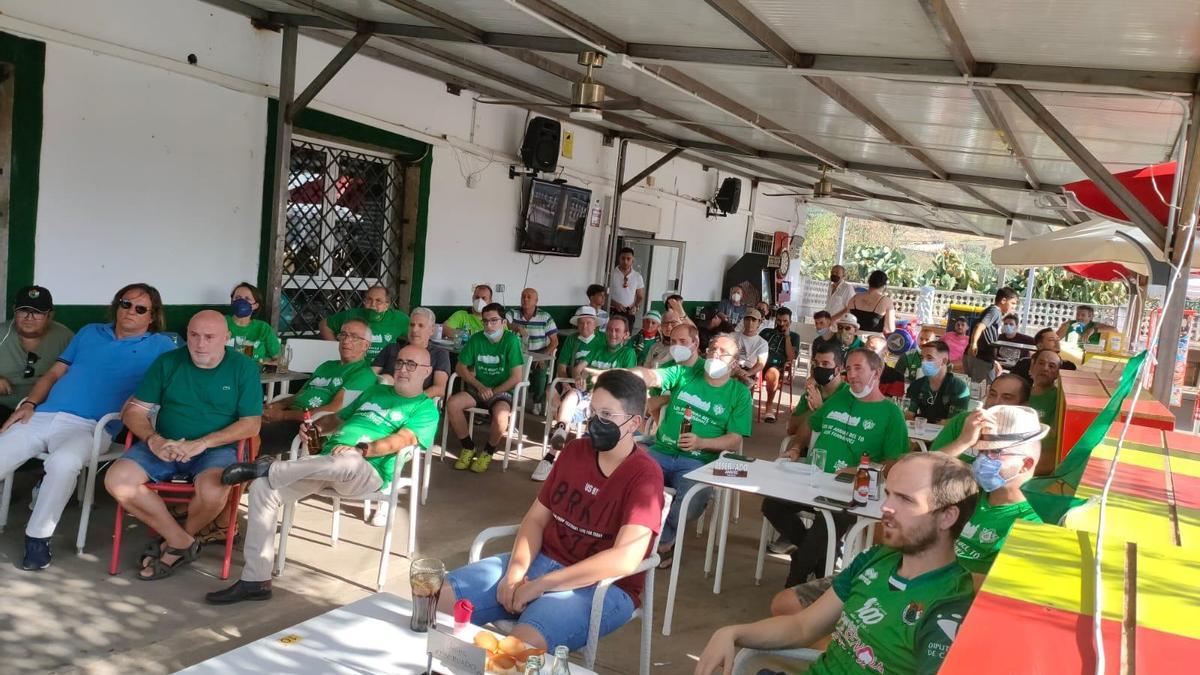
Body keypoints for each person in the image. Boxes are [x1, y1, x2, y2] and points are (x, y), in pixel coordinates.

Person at [440, 370, 664, 651]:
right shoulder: (574, 451)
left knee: (515, 652)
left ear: (635, 423)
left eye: (607, 415)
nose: (596, 423)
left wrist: (543, 584)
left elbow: (624, 559)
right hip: (542, 562)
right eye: (593, 412)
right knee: (435, 600)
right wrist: (516, 572)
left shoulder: (644, 476)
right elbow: (535, 518)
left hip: (602, 586)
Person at [696, 452, 978, 675]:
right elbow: (803, 627)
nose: (885, 507)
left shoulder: (950, 605)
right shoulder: (876, 559)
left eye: (904, 499)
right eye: (888, 493)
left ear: (946, 517)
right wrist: (733, 632)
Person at [207, 344, 441, 604]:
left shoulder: (425, 408)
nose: (402, 369)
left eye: (411, 364)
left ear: (427, 372)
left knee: (346, 461)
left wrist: (363, 450)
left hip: (366, 470)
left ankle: (269, 467)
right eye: (399, 362)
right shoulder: (375, 391)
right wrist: (314, 428)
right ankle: (256, 580)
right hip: (325, 463)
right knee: (263, 489)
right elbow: (336, 419)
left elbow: (402, 439)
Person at [0, 283, 175, 570]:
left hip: (91, 427)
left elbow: (171, 382)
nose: (130, 311)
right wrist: (30, 404)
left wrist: (140, 401)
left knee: (64, 462)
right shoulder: (90, 332)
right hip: (43, 415)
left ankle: (37, 538)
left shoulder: (161, 347)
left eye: (140, 308)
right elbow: (55, 373)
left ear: (152, 316)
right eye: (125, 303)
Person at [104, 310, 262, 580]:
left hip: (216, 449)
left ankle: (178, 540)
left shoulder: (243, 368)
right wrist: (155, 439)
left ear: (226, 337)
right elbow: (134, 411)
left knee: (213, 492)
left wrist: (202, 443)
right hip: (165, 443)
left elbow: (251, 424)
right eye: (194, 335)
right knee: (117, 479)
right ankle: (180, 542)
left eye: (210, 337)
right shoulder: (168, 362)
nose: (200, 344)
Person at [764, 348, 909, 587]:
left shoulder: (891, 415)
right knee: (772, 504)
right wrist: (797, 448)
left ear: (877, 371)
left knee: (826, 524)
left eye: (858, 368)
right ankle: (810, 555)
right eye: (848, 369)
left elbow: (896, 462)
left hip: (849, 490)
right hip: (812, 477)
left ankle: (795, 582)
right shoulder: (840, 398)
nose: (851, 375)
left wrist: (861, 469)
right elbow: (811, 423)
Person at [628, 334, 752, 559]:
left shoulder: (739, 393)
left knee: (690, 503)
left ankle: (662, 535)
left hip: (699, 461)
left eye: (722, 352)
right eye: (712, 348)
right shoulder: (686, 372)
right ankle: (654, 541)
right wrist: (628, 375)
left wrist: (702, 442)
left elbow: (734, 440)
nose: (715, 354)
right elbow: (653, 376)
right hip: (662, 450)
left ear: (734, 363)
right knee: (629, 478)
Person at [938, 405, 1045, 581]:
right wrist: (962, 442)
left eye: (995, 452)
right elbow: (916, 474)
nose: (982, 459)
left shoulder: (1032, 523)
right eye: (981, 450)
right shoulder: (969, 491)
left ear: (1026, 464)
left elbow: (1000, 587)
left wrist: (935, 578)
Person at [536, 315, 637, 482]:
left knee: (569, 405)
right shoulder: (598, 348)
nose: (612, 334)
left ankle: (552, 456)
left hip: (609, 402)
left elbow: (624, 382)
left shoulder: (628, 353)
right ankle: (560, 432)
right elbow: (579, 367)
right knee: (571, 395)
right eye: (610, 329)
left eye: (617, 331)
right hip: (587, 396)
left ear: (625, 335)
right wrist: (578, 378)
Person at [258, 318, 377, 456]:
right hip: (291, 414)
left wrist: (283, 415)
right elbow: (300, 395)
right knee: (244, 421)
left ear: (366, 345)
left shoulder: (363, 374)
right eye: (343, 334)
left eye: (354, 337)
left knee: (256, 434)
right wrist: (275, 406)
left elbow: (335, 409)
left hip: (311, 426)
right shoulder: (327, 366)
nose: (346, 340)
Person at [448, 303, 524, 474]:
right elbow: (460, 367)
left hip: (502, 391)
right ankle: (468, 447)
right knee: (453, 404)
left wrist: (493, 392)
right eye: (485, 322)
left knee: (501, 415)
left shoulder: (511, 340)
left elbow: (516, 377)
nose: (489, 326)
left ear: (504, 322)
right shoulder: (476, 339)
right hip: (478, 387)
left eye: (494, 321)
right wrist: (479, 386)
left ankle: (488, 451)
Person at [0, 286, 74, 420]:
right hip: (4, 405)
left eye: (37, 312)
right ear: (14, 311)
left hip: (45, 409)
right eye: (23, 311)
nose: (29, 318)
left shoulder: (64, 336)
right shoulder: (2, 333)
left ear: (50, 315)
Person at [929, 373, 1030, 460]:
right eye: (992, 394)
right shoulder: (965, 420)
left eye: (1007, 398)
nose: (995, 402)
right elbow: (929, 462)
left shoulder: (1026, 435)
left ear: (1023, 406)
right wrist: (963, 442)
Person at [372, 307, 451, 399]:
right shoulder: (392, 348)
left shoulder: (439, 354)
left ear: (432, 330)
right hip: (384, 397)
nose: (414, 330)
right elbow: (372, 374)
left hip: (415, 403)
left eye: (421, 326)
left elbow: (439, 389)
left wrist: (413, 401)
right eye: (412, 325)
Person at [783, 341, 845, 455]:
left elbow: (841, 433)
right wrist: (814, 411)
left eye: (825, 364)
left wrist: (821, 408)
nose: (819, 367)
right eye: (816, 363)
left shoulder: (847, 394)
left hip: (833, 451)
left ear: (839, 369)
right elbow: (791, 429)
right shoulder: (812, 392)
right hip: (806, 448)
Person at [319, 285, 410, 361]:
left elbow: (416, 333)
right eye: (369, 300)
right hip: (356, 367)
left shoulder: (398, 318)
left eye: (378, 301)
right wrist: (336, 348)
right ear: (364, 301)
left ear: (387, 305)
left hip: (384, 368)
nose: (373, 304)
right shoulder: (353, 315)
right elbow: (324, 325)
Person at [505, 288, 558, 410]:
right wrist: (517, 327)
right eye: (523, 296)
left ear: (536, 301)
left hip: (539, 352)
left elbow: (555, 342)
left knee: (540, 372)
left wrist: (543, 356)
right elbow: (504, 322)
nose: (525, 299)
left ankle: (537, 401)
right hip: (517, 352)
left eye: (529, 297)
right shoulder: (513, 313)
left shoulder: (545, 317)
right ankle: (509, 398)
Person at [905, 340, 969, 424]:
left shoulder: (959, 388)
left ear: (944, 361)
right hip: (919, 432)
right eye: (922, 358)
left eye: (929, 358)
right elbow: (908, 416)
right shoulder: (916, 385)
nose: (923, 362)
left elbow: (956, 422)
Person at [963, 287, 1019, 383]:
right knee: (984, 390)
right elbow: (979, 327)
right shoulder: (995, 311)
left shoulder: (991, 311)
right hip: (981, 358)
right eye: (1013, 303)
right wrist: (973, 344)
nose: (1014, 307)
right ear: (1003, 300)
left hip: (978, 357)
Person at [758, 307, 799, 423]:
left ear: (790, 322)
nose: (781, 323)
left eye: (785, 321)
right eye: (779, 320)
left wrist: (787, 337)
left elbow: (791, 357)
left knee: (772, 374)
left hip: (776, 366)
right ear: (776, 320)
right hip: (758, 363)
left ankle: (769, 406)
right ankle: (745, 403)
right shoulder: (766, 331)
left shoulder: (795, 337)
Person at [1026, 349, 1063, 474]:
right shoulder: (1020, 392)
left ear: (1057, 373)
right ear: (1033, 365)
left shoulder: (1059, 399)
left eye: (1052, 366)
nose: (1045, 368)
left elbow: (1055, 440)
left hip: (1038, 467)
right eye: (1041, 363)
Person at [226, 282, 281, 364]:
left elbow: (278, 358)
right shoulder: (220, 323)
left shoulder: (263, 328)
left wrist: (267, 364)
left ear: (255, 305)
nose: (241, 302)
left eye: (247, 299)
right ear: (232, 301)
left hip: (257, 374)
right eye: (237, 297)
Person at [833, 269, 894, 334]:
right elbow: (890, 329)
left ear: (869, 282)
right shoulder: (886, 301)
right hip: (874, 341)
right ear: (884, 286)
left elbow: (847, 320)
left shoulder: (854, 298)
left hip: (853, 339)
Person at [1009, 328, 1077, 380]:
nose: (1057, 343)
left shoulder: (1068, 366)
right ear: (1040, 346)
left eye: (1058, 340)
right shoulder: (1024, 364)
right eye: (1051, 340)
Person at [731, 308, 769, 386]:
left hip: (748, 370)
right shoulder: (733, 336)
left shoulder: (762, 343)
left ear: (759, 323)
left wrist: (748, 373)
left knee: (739, 384)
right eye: (747, 319)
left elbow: (760, 363)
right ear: (743, 321)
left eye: (753, 320)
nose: (750, 322)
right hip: (731, 366)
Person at [608, 247, 645, 326]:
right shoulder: (610, 274)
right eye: (623, 258)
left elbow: (640, 296)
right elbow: (605, 293)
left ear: (633, 260)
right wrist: (615, 303)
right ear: (619, 259)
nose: (625, 261)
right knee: (612, 335)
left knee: (627, 336)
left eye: (628, 259)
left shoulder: (637, 276)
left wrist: (636, 306)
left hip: (629, 312)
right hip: (612, 310)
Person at [865, 333, 906, 399]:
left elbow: (891, 404)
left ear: (885, 353)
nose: (867, 353)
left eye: (873, 349)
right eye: (865, 349)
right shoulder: (855, 373)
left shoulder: (896, 377)